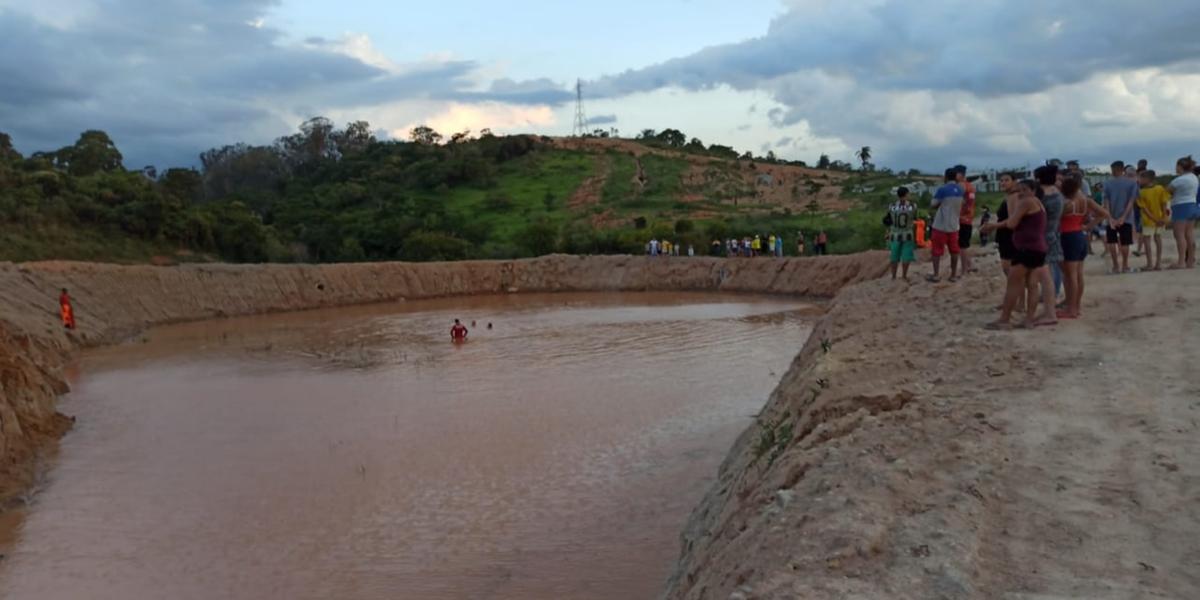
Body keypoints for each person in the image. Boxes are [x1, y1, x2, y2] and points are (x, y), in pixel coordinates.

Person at [982, 179, 1055, 329]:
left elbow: (1011, 223)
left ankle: (1004, 319)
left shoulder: (1026, 202)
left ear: (1033, 190)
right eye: (1019, 190)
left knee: (1013, 284)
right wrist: (995, 225)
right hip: (1038, 249)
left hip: (1027, 249)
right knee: (1032, 284)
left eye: (1024, 189)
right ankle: (1029, 320)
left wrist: (993, 226)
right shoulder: (1037, 203)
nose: (1021, 193)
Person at [1058, 175, 1112, 319]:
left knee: (1070, 276)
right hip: (1080, 235)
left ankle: (1071, 309)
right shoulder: (1086, 201)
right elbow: (1104, 214)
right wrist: (1088, 226)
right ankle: (1076, 306)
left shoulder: (1067, 204)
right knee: (1078, 274)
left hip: (1068, 237)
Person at [927, 168, 964, 282]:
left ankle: (936, 275)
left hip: (940, 226)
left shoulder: (942, 189)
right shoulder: (960, 189)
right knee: (954, 251)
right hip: (954, 226)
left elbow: (933, 204)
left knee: (936, 251)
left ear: (946, 177)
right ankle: (953, 275)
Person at [1103, 160, 1139, 273]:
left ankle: (1115, 266)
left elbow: (1106, 202)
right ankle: (1125, 266)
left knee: (1112, 241)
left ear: (1113, 169)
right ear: (1123, 169)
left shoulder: (1107, 183)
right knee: (1125, 242)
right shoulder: (1132, 183)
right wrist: (1123, 217)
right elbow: (1131, 201)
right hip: (1126, 218)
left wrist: (1110, 218)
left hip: (1112, 217)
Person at [1036, 165, 1065, 300]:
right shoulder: (1057, 193)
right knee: (1054, 264)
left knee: (1046, 268)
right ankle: (1055, 291)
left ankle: (1049, 294)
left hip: (1042, 233)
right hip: (1054, 231)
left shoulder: (1041, 195)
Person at [1167, 155, 1199, 269]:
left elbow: (1169, 191)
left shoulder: (1179, 180)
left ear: (1180, 167)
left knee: (1179, 235)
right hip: (1192, 205)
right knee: (1189, 234)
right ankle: (1190, 260)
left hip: (1181, 206)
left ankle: (1181, 261)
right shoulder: (1194, 178)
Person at [1136, 170, 1171, 271]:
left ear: (1147, 179)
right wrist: (1162, 217)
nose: (1139, 180)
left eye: (1141, 178)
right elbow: (1164, 204)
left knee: (1147, 240)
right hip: (1159, 218)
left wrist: (1155, 219)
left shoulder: (1141, 192)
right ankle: (1157, 264)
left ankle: (1150, 264)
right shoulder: (1160, 188)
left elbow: (1144, 209)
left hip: (1148, 220)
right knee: (1158, 239)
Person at [884, 186, 918, 280]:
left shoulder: (892, 206)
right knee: (906, 255)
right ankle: (904, 276)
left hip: (894, 234)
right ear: (906, 194)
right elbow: (914, 217)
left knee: (894, 256)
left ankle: (894, 276)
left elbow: (888, 219)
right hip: (908, 234)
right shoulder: (913, 206)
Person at [955, 165, 977, 275]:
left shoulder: (960, 186)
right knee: (964, 244)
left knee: (961, 246)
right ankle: (970, 264)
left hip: (961, 219)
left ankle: (964, 269)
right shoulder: (971, 186)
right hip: (969, 218)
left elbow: (958, 202)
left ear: (959, 174)